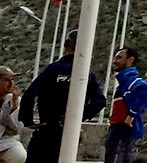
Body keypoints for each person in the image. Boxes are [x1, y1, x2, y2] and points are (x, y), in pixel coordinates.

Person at [19, 30, 106, 163]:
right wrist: (79, 116)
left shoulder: (53, 69)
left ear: (66, 45)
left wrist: (28, 120)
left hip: (47, 130)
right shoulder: (86, 74)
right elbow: (100, 101)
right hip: (71, 133)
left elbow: (29, 95)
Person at [104, 47, 147, 163]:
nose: (115, 61)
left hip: (123, 129)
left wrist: (131, 115)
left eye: (119, 58)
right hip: (118, 127)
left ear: (130, 60)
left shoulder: (132, 81)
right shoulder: (124, 81)